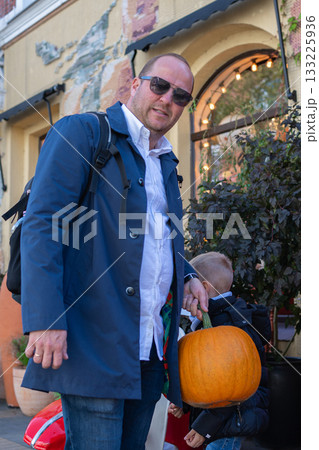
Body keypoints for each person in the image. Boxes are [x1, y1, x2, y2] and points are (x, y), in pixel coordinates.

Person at [21, 53, 208, 450]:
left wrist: (188, 274)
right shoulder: (84, 132)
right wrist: (47, 319)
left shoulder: (165, 162)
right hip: (93, 339)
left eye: (181, 96)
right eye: (159, 85)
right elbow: (44, 225)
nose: (167, 100)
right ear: (136, 85)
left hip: (149, 349)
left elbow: (156, 236)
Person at [169, 251, 271, 449]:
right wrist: (186, 402)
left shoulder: (230, 325)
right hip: (222, 423)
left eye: (188, 287)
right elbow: (205, 378)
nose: (182, 296)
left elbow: (230, 389)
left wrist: (204, 426)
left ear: (204, 288)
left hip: (229, 424)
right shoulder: (218, 321)